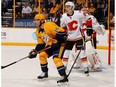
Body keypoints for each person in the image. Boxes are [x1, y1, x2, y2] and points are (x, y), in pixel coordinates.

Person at [28, 14, 68, 83]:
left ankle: (63, 76)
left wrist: (57, 42)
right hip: (50, 45)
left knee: (56, 58)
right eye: (35, 20)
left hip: (60, 45)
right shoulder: (38, 31)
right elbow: (41, 44)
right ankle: (44, 73)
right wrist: (35, 51)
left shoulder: (48, 25)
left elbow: (62, 34)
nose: (36, 22)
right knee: (42, 55)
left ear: (42, 20)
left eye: (37, 20)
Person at [60, 1, 90, 76]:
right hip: (69, 38)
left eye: (68, 6)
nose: (66, 8)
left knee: (82, 53)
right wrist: (63, 34)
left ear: (72, 7)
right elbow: (62, 27)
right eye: (66, 6)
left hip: (78, 37)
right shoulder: (64, 17)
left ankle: (86, 67)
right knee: (66, 53)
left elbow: (88, 18)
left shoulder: (78, 14)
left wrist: (89, 27)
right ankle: (64, 67)